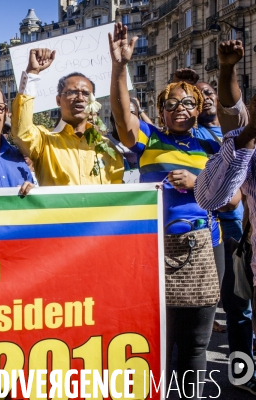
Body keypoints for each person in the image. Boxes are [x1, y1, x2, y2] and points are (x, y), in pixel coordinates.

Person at [109, 22, 240, 398]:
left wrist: (197, 185)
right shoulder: (149, 139)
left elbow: (230, 200)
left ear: (198, 108)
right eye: (171, 103)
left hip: (204, 248)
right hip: (154, 249)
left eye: (187, 102)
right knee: (160, 338)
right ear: (160, 110)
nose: (179, 109)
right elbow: (120, 116)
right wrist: (120, 67)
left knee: (197, 345)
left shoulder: (212, 145)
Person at [195, 40, 256, 395]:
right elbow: (214, 197)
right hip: (230, 242)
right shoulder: (243, 144)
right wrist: (227, 69)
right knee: (239, 316)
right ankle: (241, 374)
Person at [10, 48, 124, 186]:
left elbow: (118, 194)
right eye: (72, 92)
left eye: (86, 94)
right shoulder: (44, 142)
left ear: (94, 101)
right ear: (58, 100)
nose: (80, 98)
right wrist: (32, 73)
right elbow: (22, 132)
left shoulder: (106, 146)